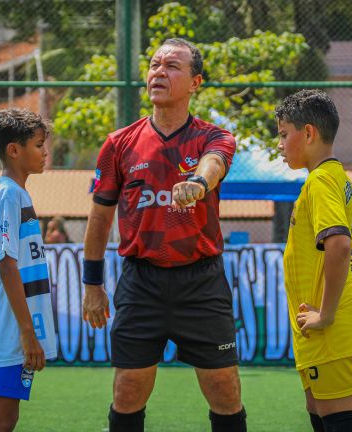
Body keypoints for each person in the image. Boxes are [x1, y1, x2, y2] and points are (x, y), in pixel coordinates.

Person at [81, 38, 247, 432]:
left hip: (202, 282)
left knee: (225, 390)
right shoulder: (118, 143)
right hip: (141, 282)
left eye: (172, 66)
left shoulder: (214, 136)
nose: (159, 72)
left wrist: (199, 183)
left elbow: (214, 163)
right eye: (155, 65)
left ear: (195, 83)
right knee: (127, 390)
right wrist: (92, 285)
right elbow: (100, 218)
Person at [275, 90, 352, 432]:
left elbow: (341, 246)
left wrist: (328, 313)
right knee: (320, 413)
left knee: (339, 422)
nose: (280, 144)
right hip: (318, 327)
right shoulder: (336, 179)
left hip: (325, 327)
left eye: (283, 134)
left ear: (308, 134)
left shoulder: (320, 181)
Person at [0, 108, 58, 431]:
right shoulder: (9, 193)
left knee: (6, 415)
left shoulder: (14, 192)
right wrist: (27, 332)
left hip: (10, 324)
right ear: (13, 150)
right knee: (1, 417)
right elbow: (7, 264)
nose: (45, 152)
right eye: (38, 145)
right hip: (9, 326)